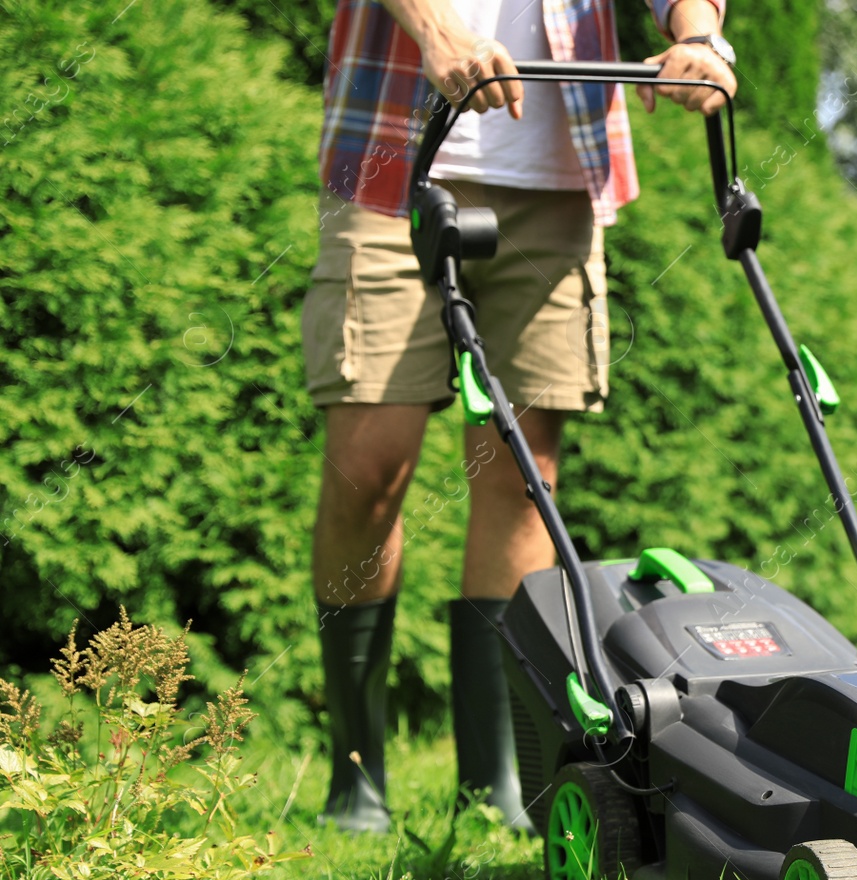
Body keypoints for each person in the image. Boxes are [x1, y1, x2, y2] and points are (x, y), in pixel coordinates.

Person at [302, 0, 737, 832]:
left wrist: (694, 32)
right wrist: (435, 30)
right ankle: (355, 769)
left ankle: (494, 777)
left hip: (554, 171)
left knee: (522, 471)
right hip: (395, 154)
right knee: (369, 466)